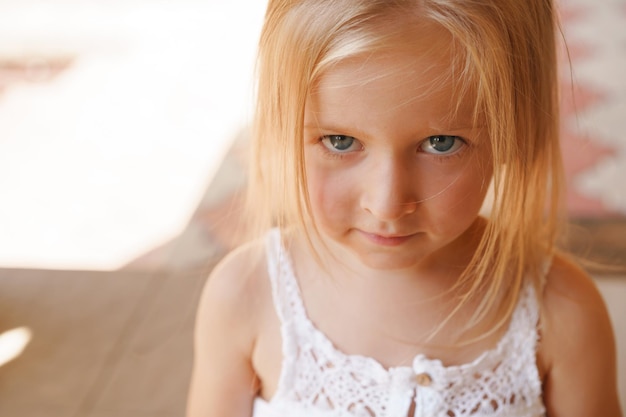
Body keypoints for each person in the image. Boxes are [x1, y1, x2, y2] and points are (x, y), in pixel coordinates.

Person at [187, 0, 622, 416]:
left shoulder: (561, 313)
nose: (387, 204)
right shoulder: (246, 294)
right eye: (340, 141)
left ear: (515, 133)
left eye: (441, 143)